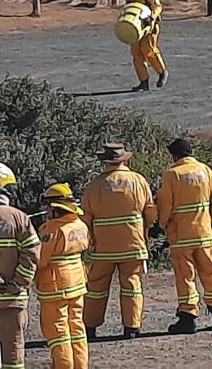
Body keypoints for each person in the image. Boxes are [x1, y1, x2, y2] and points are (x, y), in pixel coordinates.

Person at [80, 144, 156, 340]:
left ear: (105, 161)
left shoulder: (95, 185)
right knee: (132, 286)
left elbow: (85, 218)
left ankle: (90, 327)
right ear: (125, 160)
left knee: (95, 288)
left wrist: (89, 241)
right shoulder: (138, 180)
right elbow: (150, 212)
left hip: (102, 248)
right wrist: (145, 231)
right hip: (133, 245)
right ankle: (131, 327)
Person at [156, 138, 212, 334]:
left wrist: (163, 224)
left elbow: (165, 206)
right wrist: (210, 217)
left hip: (181, 237)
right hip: (205, 234)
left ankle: (187, 319)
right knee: (210, 273)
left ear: (175, 155)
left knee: (185, 276)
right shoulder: (205, 170)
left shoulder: (172, 174)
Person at [0, 163, 40, 369]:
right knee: (12, 353)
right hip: (12, 299)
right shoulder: (19, 218)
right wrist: (18, 284)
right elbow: (32, 254)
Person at [36, 183, 91, 369]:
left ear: (54, 208)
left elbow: (40, 260)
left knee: (58, 330)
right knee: (76, 327)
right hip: (78, 281)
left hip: (56, 286)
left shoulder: (51, 230)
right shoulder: (80, 225)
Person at [127, 0, 168, 92]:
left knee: (148, 49)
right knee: (137, 54)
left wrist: (151, 17)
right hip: (136, 28)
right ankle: (143, 81)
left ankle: (162, 72)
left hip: (150, 27)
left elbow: (157, 7)